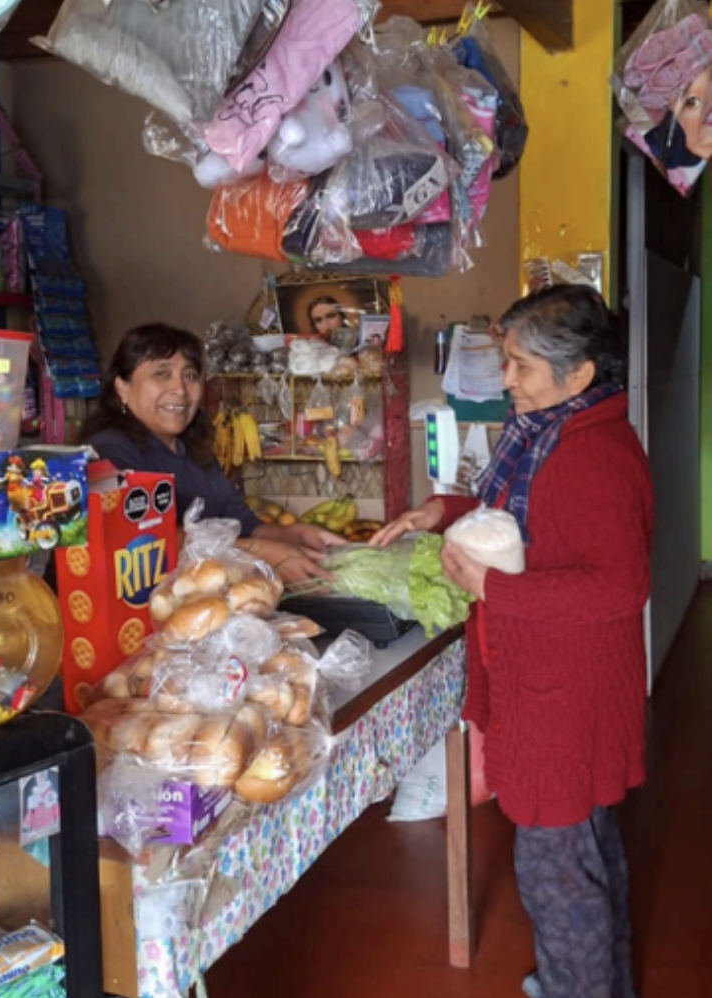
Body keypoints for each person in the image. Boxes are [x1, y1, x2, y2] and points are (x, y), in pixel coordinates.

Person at [372, 285, 653, 998]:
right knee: (586, 852)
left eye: (521, 365)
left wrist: (492, 589)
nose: (506, 379)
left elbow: (619, 587)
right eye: (507, 360)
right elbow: (514, 515)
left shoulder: (592, 455)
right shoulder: (552, 430)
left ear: (577, 373)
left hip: (564, 696)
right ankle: (599, 983)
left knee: (555, 870)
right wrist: (441, 511)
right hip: (561, 687)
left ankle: (576, 987)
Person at [82, 323, 342, 584]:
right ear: (122, 388)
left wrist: (295, 535)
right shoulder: (108, 452)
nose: (180, 389)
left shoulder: (194, 451)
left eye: (190, 375)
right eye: (162, 374)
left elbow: (246, 526)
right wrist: (256, 552)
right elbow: (146, 537)